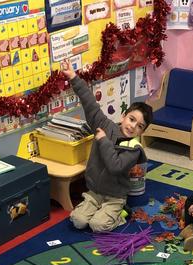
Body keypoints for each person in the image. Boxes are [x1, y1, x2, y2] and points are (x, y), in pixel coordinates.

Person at [62, 63, 152, 232]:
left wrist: (103, 140)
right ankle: (96, 208)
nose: (133, 127)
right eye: (132, 119)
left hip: (115, 197)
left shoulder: (134, 148)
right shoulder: (106, 125)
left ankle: (120, 214)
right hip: (95, 192)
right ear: (124, 116)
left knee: (98, 225)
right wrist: (73, 77)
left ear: (142, 131)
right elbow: (90, 104)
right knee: (78, 220)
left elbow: (115, 166)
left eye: (140, 126)